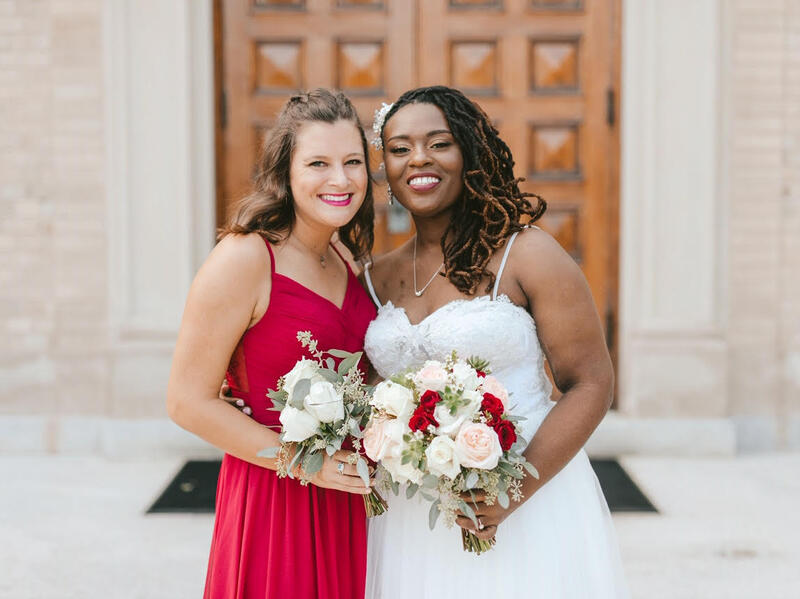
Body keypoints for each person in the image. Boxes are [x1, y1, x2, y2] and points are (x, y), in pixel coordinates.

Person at [362, 86, 629, 598]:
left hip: (525, 499)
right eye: (399, 148)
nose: (418, 158)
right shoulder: (377, 275)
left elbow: (591, 383)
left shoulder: (527, 254)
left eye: (439, 143)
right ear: (388, 170)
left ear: (470, 153)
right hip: (408, 516)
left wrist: (511, 493)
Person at [166, 89, 377, 599]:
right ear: (285, 172)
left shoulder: (345, 257)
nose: (340, 179)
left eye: (353, 162)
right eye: (318, 163)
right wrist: (306, 462)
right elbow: (185, 402)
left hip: (344, 494)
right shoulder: (245, 258)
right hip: (275, 494)